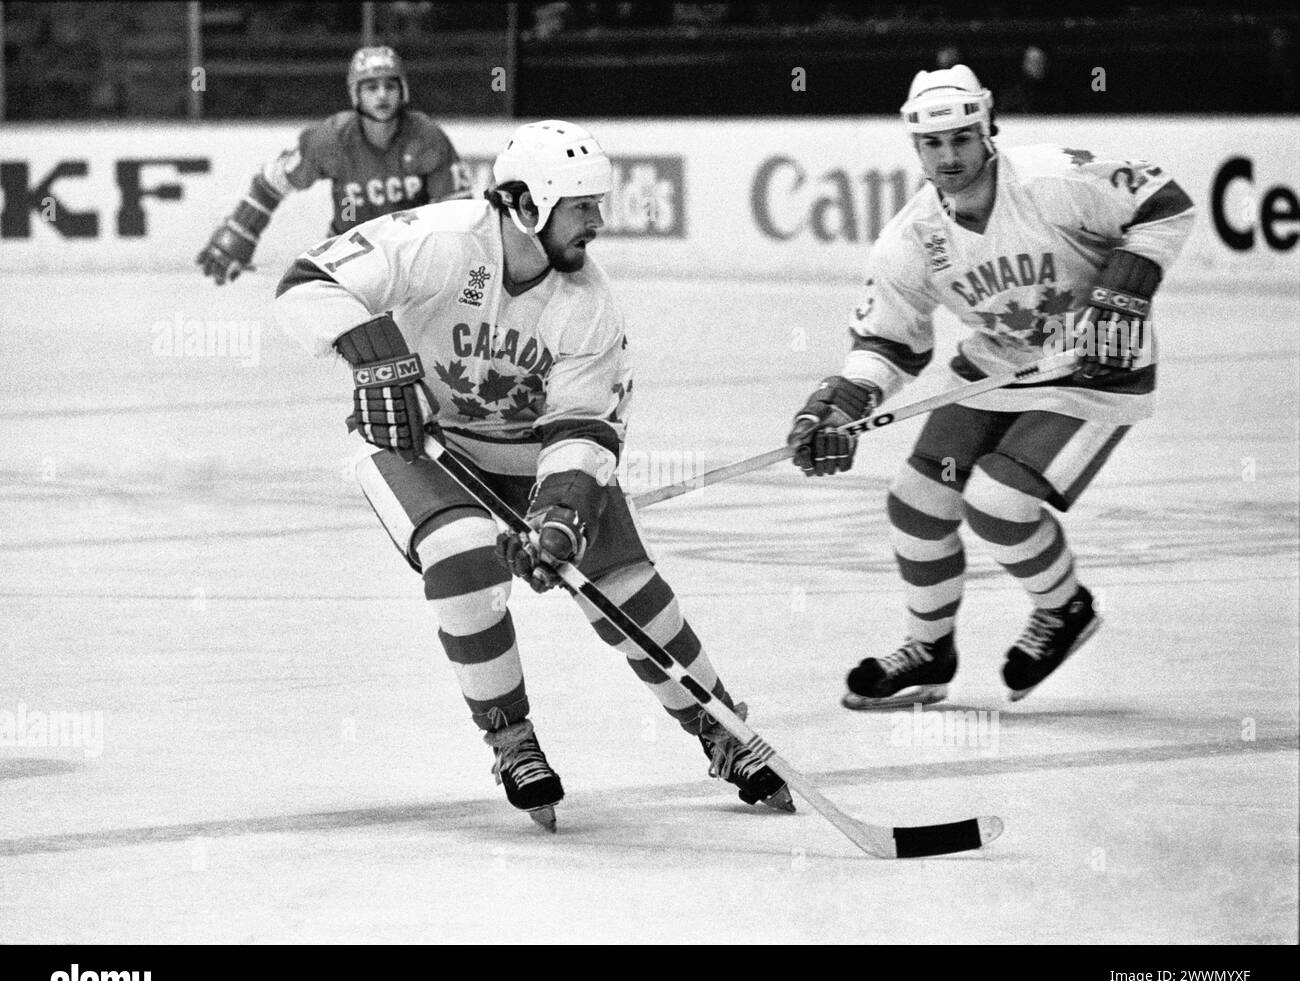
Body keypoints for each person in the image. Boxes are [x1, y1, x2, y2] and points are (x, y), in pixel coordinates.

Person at [273, 120, 793, 829]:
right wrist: (379, 358)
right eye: (581, 206)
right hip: (418, 443)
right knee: (463, 554)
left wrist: (561, 517)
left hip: (531, 457)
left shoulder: (590, 304)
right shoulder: (444, 240)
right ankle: (511, 736)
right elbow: (308, 282)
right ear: (527, 205)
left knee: (627, 587)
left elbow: (583, 428)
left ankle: (720, 728)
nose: (597, 223)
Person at [787, 65, 1194, 709]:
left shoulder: (1053, 180)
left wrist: (1124, 294)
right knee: (916, 503)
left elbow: (1163, 202)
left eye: (961, 139)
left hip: (1093, 372)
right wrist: (840, 405)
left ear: (988, 129)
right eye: (932, 144)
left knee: (998, 504)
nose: (949, 157)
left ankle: (1064, 608)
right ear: (915, 147)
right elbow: (889, 344)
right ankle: (929, 650)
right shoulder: (912, 237)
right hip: (997, 370)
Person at [198, 45, 471, 286]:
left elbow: (459, 212)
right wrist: (240, 232)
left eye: (390, 86)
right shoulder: (331, 138)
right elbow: (272, 182)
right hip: (346, 257)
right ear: (356, 94)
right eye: (371, 87)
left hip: (412, 260)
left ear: (403, 91)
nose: (382, 95)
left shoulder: (427, 137)